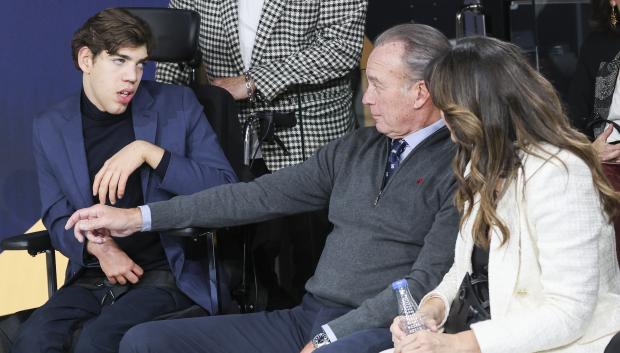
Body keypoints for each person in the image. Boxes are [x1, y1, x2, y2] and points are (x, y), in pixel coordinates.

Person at [65, 24, 458, 353]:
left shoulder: (460, 165)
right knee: (146, 342)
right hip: (306, 317)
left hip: (379, 330)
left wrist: (333, 335)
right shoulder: (356, 147)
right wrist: (138, 218)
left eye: (376, 85)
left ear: (420, 92)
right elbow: (255, 196)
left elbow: (427, 281)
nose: (366, 98)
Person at [11, 8, 237, 353]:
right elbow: (57, 215)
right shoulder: (51, 126)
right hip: (94, 274)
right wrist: (100, 249)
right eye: (119, 61)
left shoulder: (177, 105)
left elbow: (227, 191)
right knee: (32, 340)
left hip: (167, 274)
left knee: (98, 342)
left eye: (140, 63)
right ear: (86, 59)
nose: (132, 76)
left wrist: (150, 153)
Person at [386, 36, 620, 353]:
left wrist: (459, 344)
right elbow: (465, 270)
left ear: (477, 106)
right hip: (489, 335)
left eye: (446, 105)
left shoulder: (561, 175)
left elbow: (570, 313)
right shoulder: (480, 163)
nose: (441, 116)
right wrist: (433, 308)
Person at [157, 0, 368, 306]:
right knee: (245, 266)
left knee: (312, 260)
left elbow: (341, 48)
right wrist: (166, 128)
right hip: (229, 136)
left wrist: (255, 81)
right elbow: (174, 59)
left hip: (308, 135)